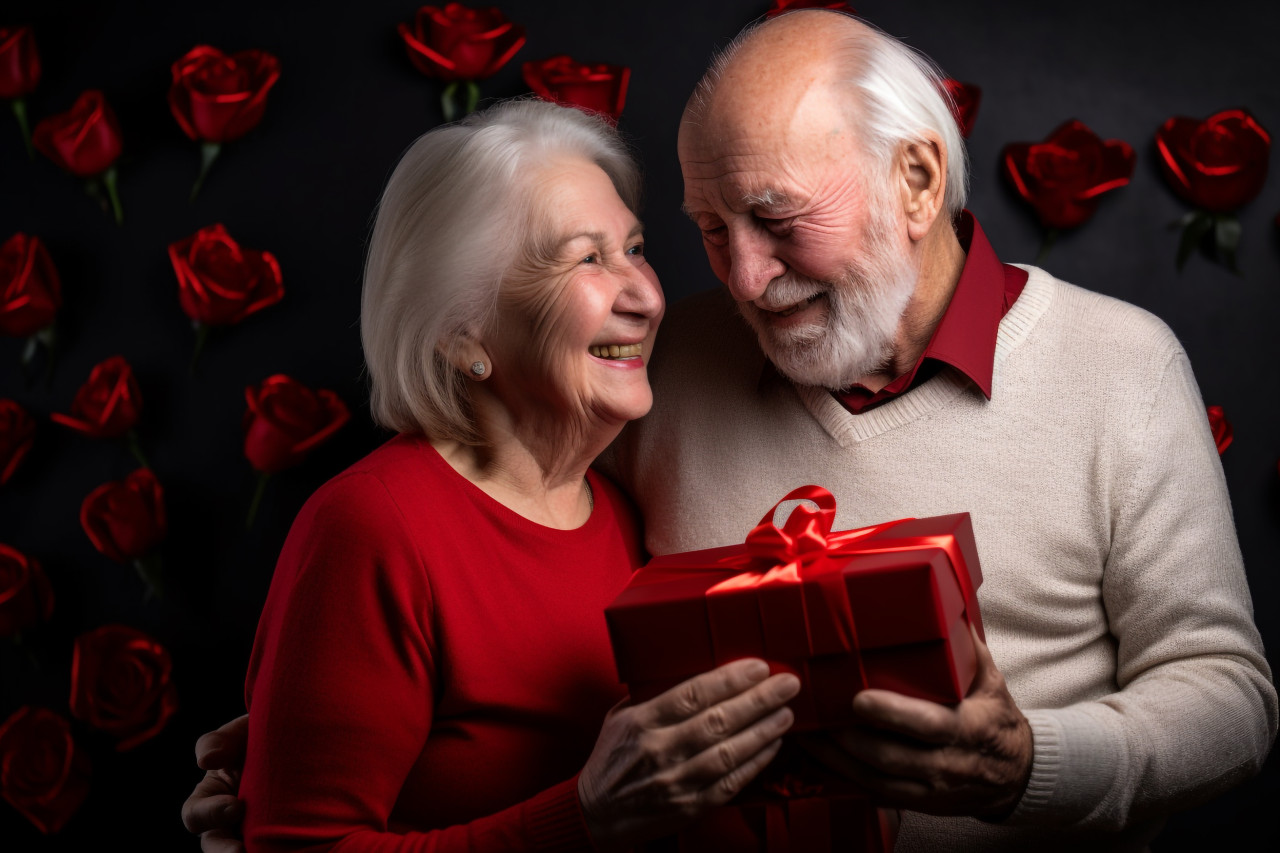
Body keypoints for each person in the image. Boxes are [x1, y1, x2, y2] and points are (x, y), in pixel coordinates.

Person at [186, 10, 1277, 851]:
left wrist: (1029, 762)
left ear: (914, 178)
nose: (742, 280)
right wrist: (296, 752)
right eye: (707, 231)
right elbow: (481, 546)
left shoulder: (1121, 365)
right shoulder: (657, 374)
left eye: (774, 217)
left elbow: (1224, 688)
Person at [212, 97, 804, 852]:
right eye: (586, 258)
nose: (649, 297)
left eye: (634, 247)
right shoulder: (372, 527)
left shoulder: (624, 505)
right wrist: (586, 817)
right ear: (465, 335)